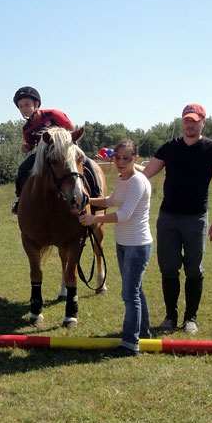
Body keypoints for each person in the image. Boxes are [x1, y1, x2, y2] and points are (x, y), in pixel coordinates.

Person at [141, 103, 212, 335]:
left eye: (194, 120)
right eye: (186, 120)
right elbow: (146, 173)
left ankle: (191, 318)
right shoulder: (170, 148)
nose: (189, 125)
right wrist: (125, 166)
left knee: (193, 269)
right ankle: (170, 317)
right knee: (168, 268)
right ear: (182, 122)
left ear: (203, 122)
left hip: (196, 219)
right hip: (168, 218)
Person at [79, 140, 152, 357]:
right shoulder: (122, 179)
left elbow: (125, 214)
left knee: (130, 294)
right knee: (135, 291)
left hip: (137, 246)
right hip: (124, 244)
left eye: (126, 159)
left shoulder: (138, 182)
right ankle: (143, 333)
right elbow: (112, 200)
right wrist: (86, 199)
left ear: (135, 159)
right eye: (117, 158)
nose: (120, 162)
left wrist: (93, 218)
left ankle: (131, 344)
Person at [11, 86, 101, 214]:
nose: (24, 109)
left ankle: (97, 194)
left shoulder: (53, 114)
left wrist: (65, 144)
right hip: (44, 154)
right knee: (23, 168)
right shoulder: (26, 128)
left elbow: (71, 128)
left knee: (88, 163)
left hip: (67, 149)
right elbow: (31, 144)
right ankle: (20, 199)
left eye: (27, 104)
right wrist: (27, 147)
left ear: (36, 104)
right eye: (20, 106)